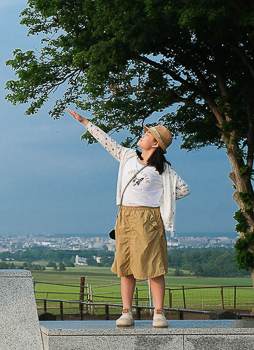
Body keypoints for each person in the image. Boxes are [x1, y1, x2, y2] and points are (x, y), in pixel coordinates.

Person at [67, 109, 190, 328]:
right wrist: (85, 122)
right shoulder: (127, 156)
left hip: (149, 217)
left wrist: (161, 201)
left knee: (154, 266)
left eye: (148, 134)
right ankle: (126, 312)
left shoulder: (164, 171)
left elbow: (182, 189)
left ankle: (159, 313)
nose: (142, 136)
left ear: (155, 144)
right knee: (125, 265)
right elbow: (108, 142)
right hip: (125, 215)